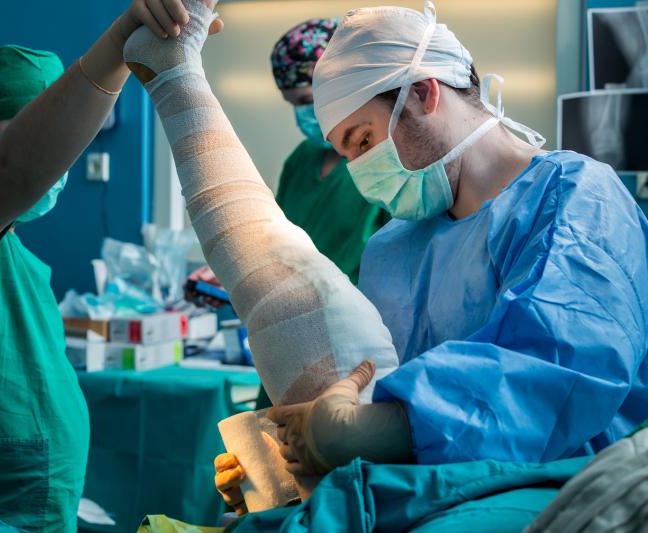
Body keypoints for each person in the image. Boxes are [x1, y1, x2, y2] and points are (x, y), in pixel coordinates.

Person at [216, 0, 648, 514]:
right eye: (348, 155)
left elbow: (556, 368)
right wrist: (294, 468)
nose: (361, 172)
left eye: (364, 140)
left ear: (423, 93)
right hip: (426, 500)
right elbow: (361, 385)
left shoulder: (576, 200)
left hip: (569, 498)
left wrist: (377, 431)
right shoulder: (392, 248)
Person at [0, 3, 223, 531]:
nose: (60, 162)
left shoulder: (11, 254)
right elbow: (16, 170)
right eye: (38, 132)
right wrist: (121, 43)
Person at [187, 18, 388, 304]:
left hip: (363, 314)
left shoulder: (383, 160)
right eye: (293, 104)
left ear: (339, 87)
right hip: (296, 312)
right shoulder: (302, 159)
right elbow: (278, 247)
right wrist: (233, 277)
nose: (301, 115)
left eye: (307, 100)